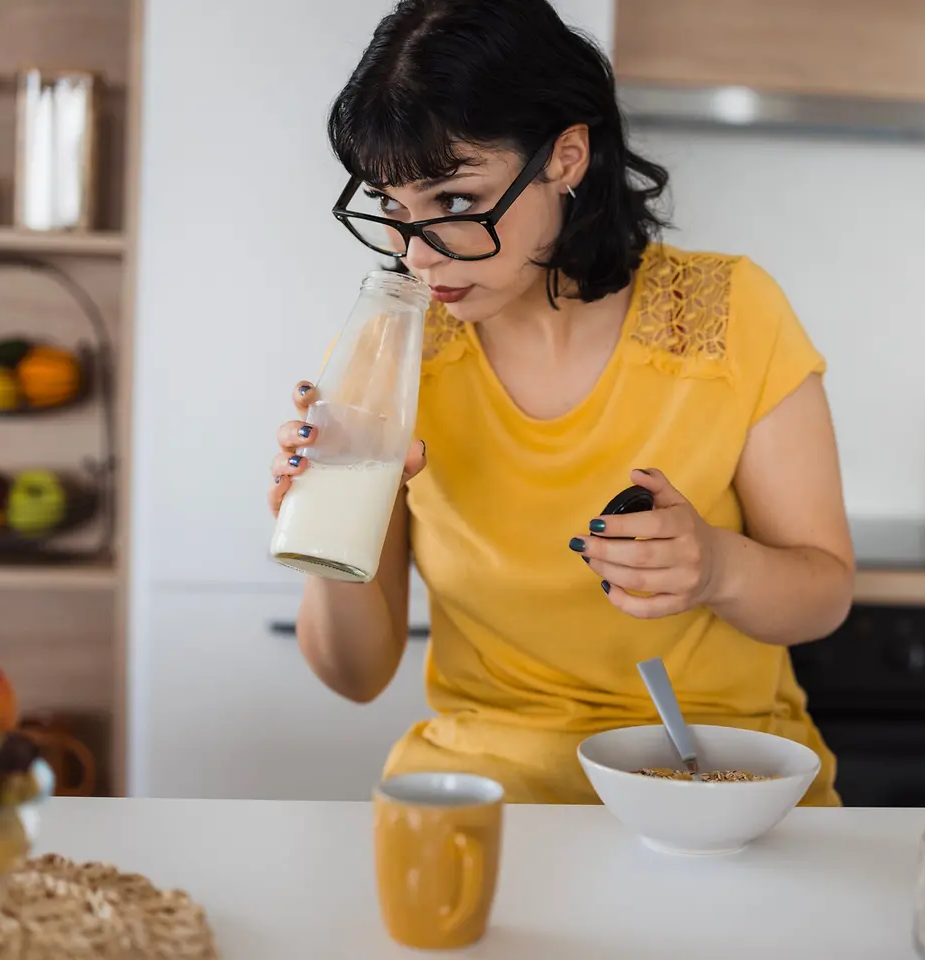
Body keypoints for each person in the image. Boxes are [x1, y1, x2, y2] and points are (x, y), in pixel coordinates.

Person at [268, 0, 854, 806]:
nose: (417, 255)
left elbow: (823, 594)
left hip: (719, 773)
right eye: (395, 210)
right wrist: (328, 530)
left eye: (457, 203)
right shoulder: (397, 356)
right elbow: (356, 677)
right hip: (488, 787)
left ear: (567, 156)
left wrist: (716, 566)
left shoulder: (731, 313)